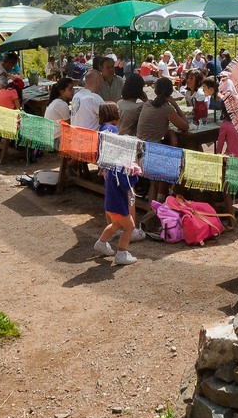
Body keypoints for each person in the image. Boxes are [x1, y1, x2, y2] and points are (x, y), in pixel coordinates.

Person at [93, 104, 143, 265]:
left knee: (116, 225)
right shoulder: (119, 170)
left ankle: (101, 243)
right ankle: (121, 253)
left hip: (111, 204)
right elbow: (126, 185)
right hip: (118, 204)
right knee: (129, 227)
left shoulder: (112, 168)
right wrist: (135, 175)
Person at [137, 76, 191, 145]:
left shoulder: (147, 103)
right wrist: (176, 106)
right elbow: (185, 127)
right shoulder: (167, 109)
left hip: (140, 145)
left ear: (155, 91)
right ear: (171, 92)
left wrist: (170, 132)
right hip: (151, 147)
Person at [70, 56, 109, 131]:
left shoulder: (77, 95)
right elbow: (109, 119)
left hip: (76, 136)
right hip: (90, 139)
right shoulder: (94, 98)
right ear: (98, 81)